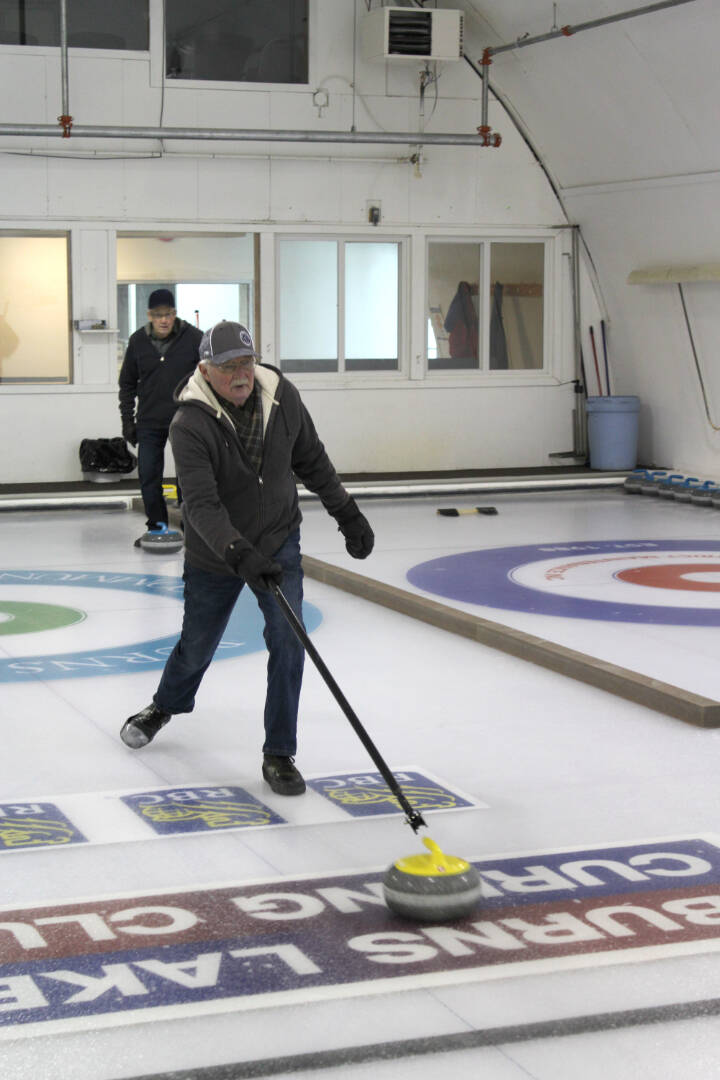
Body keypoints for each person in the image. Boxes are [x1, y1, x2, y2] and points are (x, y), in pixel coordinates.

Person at [120, 320, 375, 796]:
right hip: (217, 554)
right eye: (227, 366)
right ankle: (165, 705)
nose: (240, 374)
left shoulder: (283, 398)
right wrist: (239, 552)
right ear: (205, 368)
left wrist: (348, 513)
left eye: (245, 363)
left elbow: (312, 459)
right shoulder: (189, 422)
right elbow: (200, 503)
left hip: (278, 538)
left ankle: (279, 752)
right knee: (197, 645)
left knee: (288, 640)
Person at [118, 288, 203, 545]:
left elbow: (207, 378)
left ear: (175, 314)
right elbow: (127, 385)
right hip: (149, 421)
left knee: (188, 476)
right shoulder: (137, 342)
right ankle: (157, 526)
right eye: (158, 315)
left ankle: (194, 528)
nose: (164, 320)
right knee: (148, 474)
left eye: (168, 314)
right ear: (149, 316)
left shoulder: (194, 338)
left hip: (186, 419)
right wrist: (127, 421)